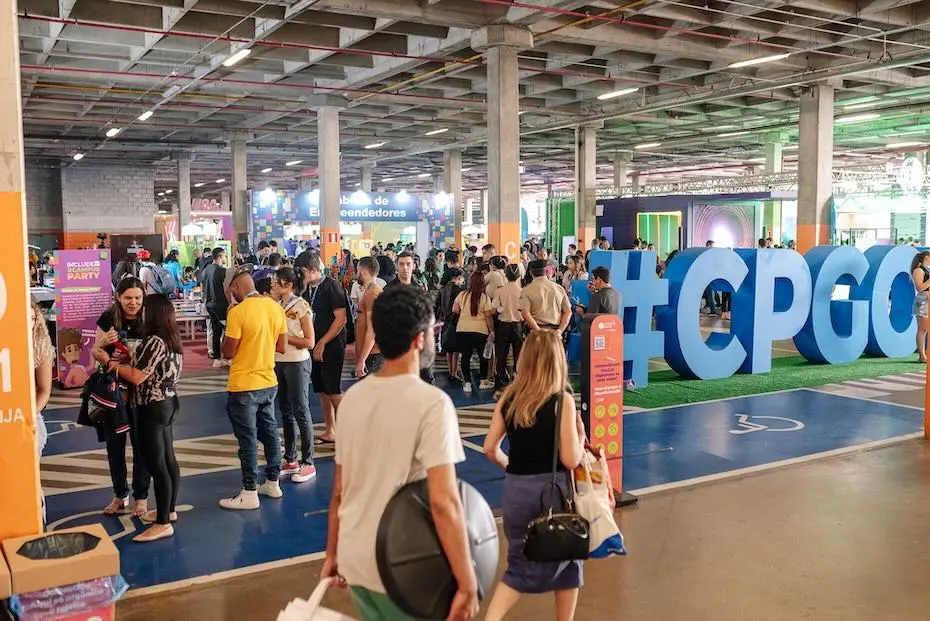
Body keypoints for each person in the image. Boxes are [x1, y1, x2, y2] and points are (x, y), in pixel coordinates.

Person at [321, 286, 479, 621]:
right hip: (404, 562)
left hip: (356, 558)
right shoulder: (432, 404)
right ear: (420, 339)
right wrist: (467, 581)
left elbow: (339, 491)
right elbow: (443, 501)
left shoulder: (353, 400)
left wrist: (333, 553)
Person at [482, 330, 585, 621]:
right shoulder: (561, 401)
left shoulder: (508, 399)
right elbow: (570, 458)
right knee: (568, 562)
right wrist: (579, 433)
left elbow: (490, 448)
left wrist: (510, 468)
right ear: (558, 361)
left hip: (516, 492)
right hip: (553, 493)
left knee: (518, 567)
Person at [95, 295, 183, 542]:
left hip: (152, 406)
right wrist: (124, 358)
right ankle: (169, 510)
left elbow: (136, 377)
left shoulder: (154, 341)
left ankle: (163, 522)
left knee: (157, 465)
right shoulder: (171, 337)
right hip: (167, 402)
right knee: (167, 458)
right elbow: (146, 367)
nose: (139, 311)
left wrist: (109, 364)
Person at [219, 272, 288, 510]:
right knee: (270, 433)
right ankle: (272, 482)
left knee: (247, 439)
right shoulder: (275, 308)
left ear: (235, 286)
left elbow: (228, 352)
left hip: (243, 385)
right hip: (269, 381)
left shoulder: (237, 312)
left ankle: (249, 492)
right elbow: (281, 346)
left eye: (230, 290)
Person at [93, 277, 151, 517]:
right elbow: (95, 354)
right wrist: (102, 343)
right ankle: (120, 495)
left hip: (141, 394)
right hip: (113, 394)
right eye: (128, 297)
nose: (133, 303)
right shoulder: (108, 319)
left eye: (138, 298)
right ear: (118, 297)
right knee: (114, 448)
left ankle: (141, 498)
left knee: (142, 447)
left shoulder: (150, 319)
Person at [271, 268, 317, 483]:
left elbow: (309, 341)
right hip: (279, 363)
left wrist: (284, 339)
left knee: (301, 409)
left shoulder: (301, 306)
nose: (272, 285)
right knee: (286, 411)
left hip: (297, 364)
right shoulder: (277, 306)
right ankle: (291, 459)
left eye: (275, 282)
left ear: (288, 284)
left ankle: (308, 462)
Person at [296, 252, 347, 445]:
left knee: (333, 389)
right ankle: (330, 429)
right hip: (315, 346)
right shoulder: (308, 289)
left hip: (331, 346)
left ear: (313, 270)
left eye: (303, 273)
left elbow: (340, 319)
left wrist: (323, 342)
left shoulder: (332, 287)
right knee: (322, 389)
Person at [453, 269, 494, 394]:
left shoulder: (462, 295)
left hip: (463, 329)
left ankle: (467, 383)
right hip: (480, 330)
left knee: (465, 356)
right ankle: (483, 381)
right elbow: (488, 316)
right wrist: (492, 330)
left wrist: (463, 314)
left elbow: (455, 309)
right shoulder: (484, 298)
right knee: (483, 356)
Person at [32, 298, 53, 523]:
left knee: (31, 478)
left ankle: (39, 523)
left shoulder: (40, 344)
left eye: (32, 317)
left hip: (28, 421)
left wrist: (28, 415)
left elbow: (44, 390)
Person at [492, 264, 524, 398]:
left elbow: (493, 309)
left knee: (501, 356)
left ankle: (499, 385)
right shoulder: (523, 291)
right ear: (518, 276)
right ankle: (518, 384)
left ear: (505, 275)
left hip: (502, 326)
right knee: (518, 357)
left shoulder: (500, 291)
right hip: (518, 326)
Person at [520, 260, 571, 334]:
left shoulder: (526, 290)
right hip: (555, 332)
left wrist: (538, 330)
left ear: (531, 272)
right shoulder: (559, 288)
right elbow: (568, 312)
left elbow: (525, 313)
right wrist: (560, 331)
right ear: (546, 271)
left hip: (534, 333)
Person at [355, 257, 384, 377]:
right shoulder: (370, 292)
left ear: (364, 272)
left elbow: (372, 331)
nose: (356, 275)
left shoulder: (373, 294)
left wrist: (362, 359)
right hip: (371, 355)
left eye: (357, 271)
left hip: (373, 356)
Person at [202, 247, 230, 366]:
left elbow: (202, 287)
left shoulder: (205, 270)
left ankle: (217, 358)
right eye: (224, 256)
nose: (225, 258)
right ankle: (228, 357)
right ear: (220, 256)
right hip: (221, 305)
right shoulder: (221, 271)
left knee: (215, 331)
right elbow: (226, 289)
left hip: (210, 304)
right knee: (228, 331)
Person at [439, 267, 466, 383]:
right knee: (456, 350)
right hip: (456, 321)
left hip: (445, 322)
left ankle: (450, 371)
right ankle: (454, 373)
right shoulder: (459, 291)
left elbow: (438, 306)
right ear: (458, 278)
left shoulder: (443, 289)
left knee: (448, 348)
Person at [913, 251, 930, 363]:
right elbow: (919, 288)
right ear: (926, 257)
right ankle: (922, 356)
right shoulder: (918, 270)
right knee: (923, 329)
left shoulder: (927, 270)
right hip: (923, 301)